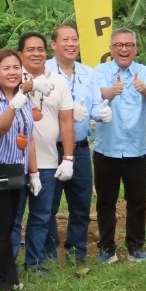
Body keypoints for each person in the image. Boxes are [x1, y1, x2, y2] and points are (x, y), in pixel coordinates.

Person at [0, 50, 40, 291]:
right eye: (6, 68)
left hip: (17, 171)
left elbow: (29, 136)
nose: (12, 73)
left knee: (11, 226)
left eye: (16, 68)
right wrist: (13, 106)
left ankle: (9, 278)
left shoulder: (24, 98)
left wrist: (33, 173)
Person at [11, 32, 74, 273]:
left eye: (40, 49)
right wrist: (29, 85)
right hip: (16, 161)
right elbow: (5, 97)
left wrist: (68, 158)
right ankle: (9, 264)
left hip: (48, 160)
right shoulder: (12, 75)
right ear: (20, 54)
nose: (36, 53)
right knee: (14, 217)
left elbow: (66, 121)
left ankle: (35, 262)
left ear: (46, 53)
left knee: (41, 215)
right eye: (30, 49)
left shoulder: (58, 81)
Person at [93, 28, 146, 263]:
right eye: (119, 45)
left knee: (137, 200)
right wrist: (112, 92)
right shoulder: (100, 71)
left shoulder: (145, 71)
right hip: (106, 148)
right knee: (106, 201)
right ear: (111, 49)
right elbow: (99, 93)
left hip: (137, 148)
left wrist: (143, 88)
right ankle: (107, 248)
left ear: (135, 49)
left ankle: (135, 247)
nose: (124, 49)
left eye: (129, 45)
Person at [44, 25, 100, 262]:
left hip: (80, 147)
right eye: (65, 40)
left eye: (75, 39)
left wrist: (100, 112)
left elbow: (96, 105)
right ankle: (46, 252)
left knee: (81, 202)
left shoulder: (88, 73)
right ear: (54, 44)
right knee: (48, 204)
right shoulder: (43, 70)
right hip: (50, 149)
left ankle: (77, 251)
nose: (71, 44)